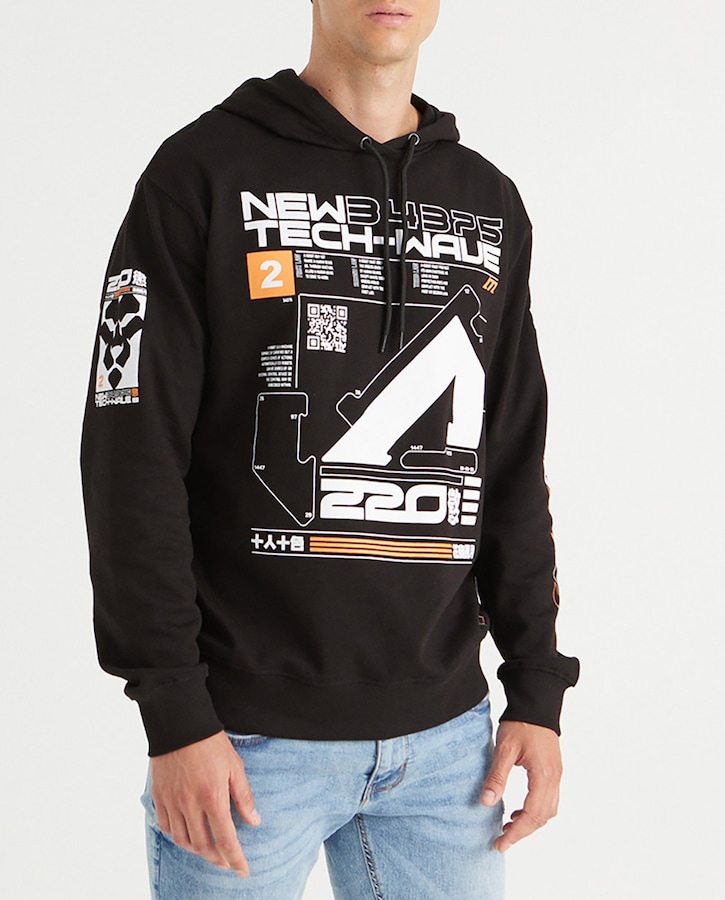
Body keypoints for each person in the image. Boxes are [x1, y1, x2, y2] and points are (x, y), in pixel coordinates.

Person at [81, 1, 579, 897]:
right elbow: (131, 452)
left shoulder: (487, 200)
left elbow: (509, 456)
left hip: (448, 749)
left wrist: (536, 689)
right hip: (242, 744)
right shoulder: (202, 172)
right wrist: (173, 710)